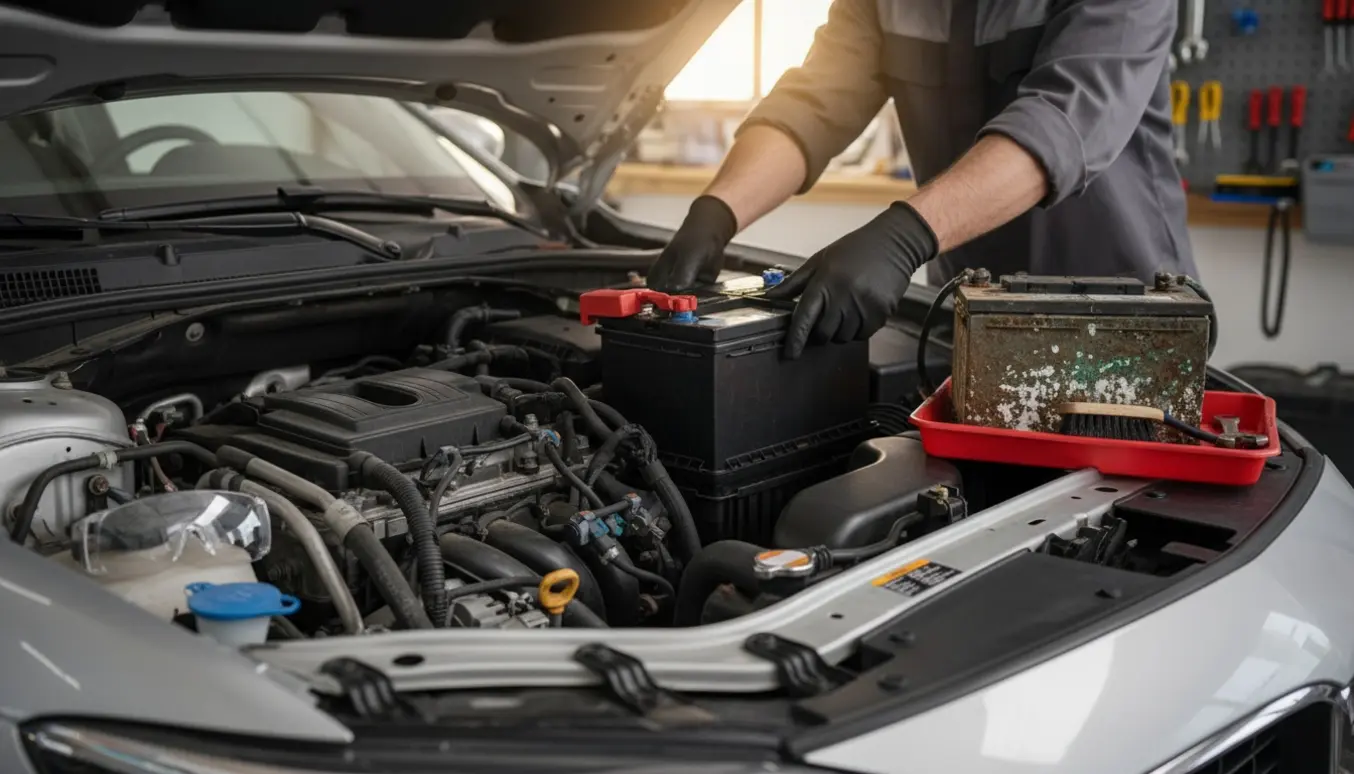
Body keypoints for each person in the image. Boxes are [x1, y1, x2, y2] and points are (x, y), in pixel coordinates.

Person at [647, 0, 1197, 358]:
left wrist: (903, 236)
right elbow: (816, 101)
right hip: (973, 316)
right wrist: (718, 211)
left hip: (1127, 323)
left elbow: (1061, 124)